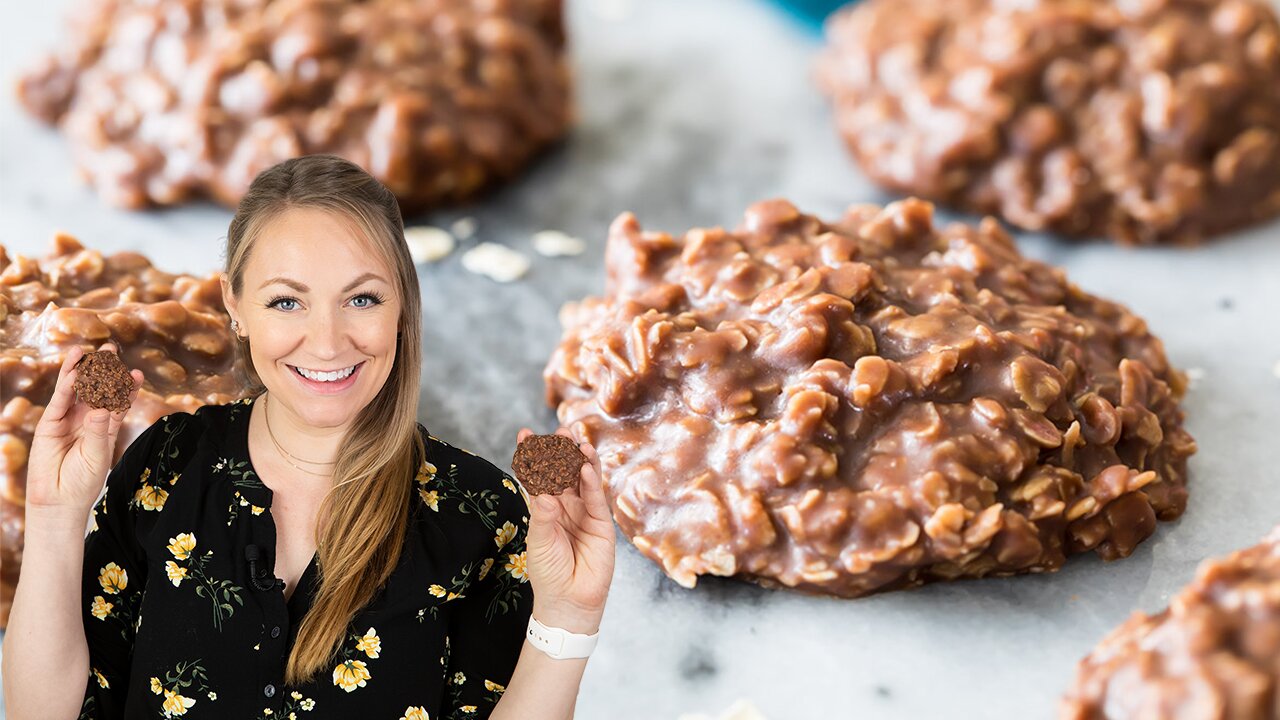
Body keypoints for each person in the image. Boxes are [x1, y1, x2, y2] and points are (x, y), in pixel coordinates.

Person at [3, 155, 616, 719]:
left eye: (363, 298)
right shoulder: (168, 463)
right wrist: (56, 513)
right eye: (287, 303)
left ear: (403, 305)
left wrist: (568, 617)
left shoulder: (482, 513)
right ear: (234, 305)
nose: (326, 343)